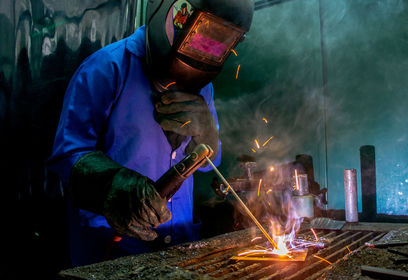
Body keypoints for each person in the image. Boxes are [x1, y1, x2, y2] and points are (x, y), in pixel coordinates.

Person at [47, 0, 254, 267]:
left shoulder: (205, 89)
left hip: (180, 249)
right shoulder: (106, 68)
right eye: (199, 36)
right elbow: (67, 156)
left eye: (217, 44)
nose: (203, 49)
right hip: (111, 253)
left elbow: (207, 164)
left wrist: (207, 135)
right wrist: (115, 184)